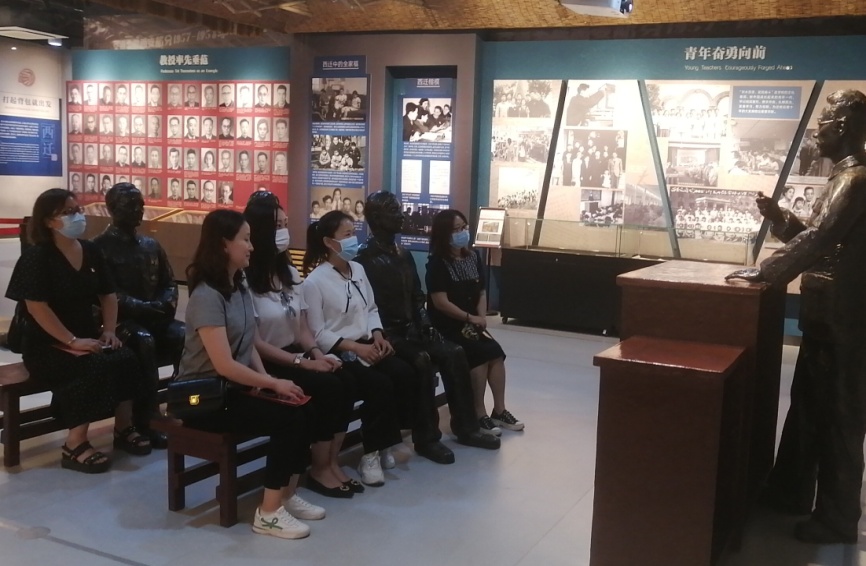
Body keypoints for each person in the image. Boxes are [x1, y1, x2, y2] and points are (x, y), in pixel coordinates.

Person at [726, 89, 866, 544]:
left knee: (840, 418)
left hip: (846, 319)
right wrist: (782, 220)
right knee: (807, 407)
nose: (817, 131)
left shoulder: (855, 179)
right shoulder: (844, 178)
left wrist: (766, 271)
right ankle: (791, 490)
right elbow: (820, 238)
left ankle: (838, 517)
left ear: (842, 127)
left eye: (823, 122)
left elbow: (822, 239)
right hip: (828, 317)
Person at [175, 209, 317, 539]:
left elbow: (249, 342)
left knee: (303, 404)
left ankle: (286, 494)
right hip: (202, 398)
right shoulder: (206, 295)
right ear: (224, 244)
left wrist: (267, 383)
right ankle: (268, 513)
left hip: (231, 390)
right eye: (245, 239)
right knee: (288, 419)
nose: (252, 246)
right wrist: (271, 382)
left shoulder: (237, 284)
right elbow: (223, 364)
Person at [4, 189, 152, 473]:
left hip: (86, 337)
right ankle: (75, 443)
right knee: (91, 366)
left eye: (78, 210)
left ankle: (123, 427)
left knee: (125, 357)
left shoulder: (90, 251)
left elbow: (108, 294)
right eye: (68, 212)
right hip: (46, 345)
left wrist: (109, 331)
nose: (77, 216)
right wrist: (72, 341)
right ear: (49, 221)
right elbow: (37, 307)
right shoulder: (37, 257)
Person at [356, 192, 500, 459]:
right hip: (386, 332)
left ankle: (466, 426)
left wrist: (424, 323)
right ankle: (426, 438)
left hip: (411, 328)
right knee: (421, 360)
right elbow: (365, 307)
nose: (401, 215)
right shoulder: (364, 258)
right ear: (376, 217)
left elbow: (417, 296)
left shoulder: (403, 254)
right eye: (394, 211)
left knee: (454, 352)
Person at [244, 193, 362, 498]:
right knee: (328, 388)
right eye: (276, 226)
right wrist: (305, 363)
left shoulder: (289, 272)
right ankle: (319, 469)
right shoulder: (246, 278)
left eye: (285, 224)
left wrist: (319, 354)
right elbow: (256, 342)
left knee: (345, 378)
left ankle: (331, 462)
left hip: (295, 354)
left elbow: (302, 329)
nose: (284, 231)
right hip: (267, 363)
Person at [303, 211, 428, 485]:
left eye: (354, 233)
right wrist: (356, 348)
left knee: (404, 372)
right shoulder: (315, 282)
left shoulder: (358, 270)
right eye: (347, 235)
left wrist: (378, 335)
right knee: (378, 384)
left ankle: (385, 443)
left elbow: (371, 308)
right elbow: (318, 333)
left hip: (367, 342)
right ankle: (370, 452)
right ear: (329, 242)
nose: (353, 239)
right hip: (340, 351)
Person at [93, 184, 185, 448]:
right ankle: (147, 417)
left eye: (140, 204)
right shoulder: (99, 247)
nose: (138, 210)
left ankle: (181, 405)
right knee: (143, 341)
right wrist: (143, 307)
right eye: (130, 205)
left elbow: (169, 282)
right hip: (120, 323)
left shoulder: (150, 245)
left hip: (154, 316)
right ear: (112, 209)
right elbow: (106, 293)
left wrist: (164, 303)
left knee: (184, 333)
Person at [426, 209, 524, 436]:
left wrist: (481, 317)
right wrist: (470, 318)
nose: (462, 233)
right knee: (478, 356)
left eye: (464, 227)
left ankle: (499, 410)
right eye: (456, 229)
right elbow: (441, 303)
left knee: (495, 353)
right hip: (449, 325)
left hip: (472, 322)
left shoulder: (472, 257)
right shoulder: (437, 264)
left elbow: (481, 291)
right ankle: (478, 414)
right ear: (444, 234)